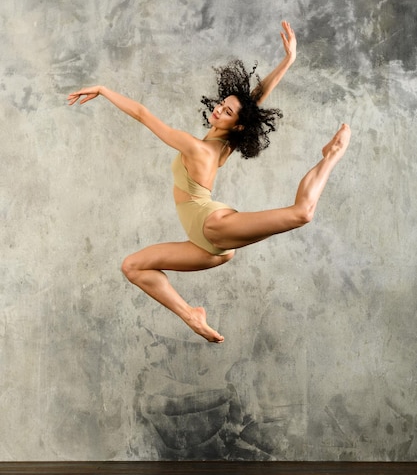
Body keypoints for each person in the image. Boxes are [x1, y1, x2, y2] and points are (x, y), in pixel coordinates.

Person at [68, 21, 350, 344]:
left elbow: (144, 115)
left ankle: (331, 155)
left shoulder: (198, 148)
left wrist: (104, 90)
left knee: (301, 213)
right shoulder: (222, 145)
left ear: (237, 124)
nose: (218, 109)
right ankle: (192, 315)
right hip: (203, 245)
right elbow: (253, 102)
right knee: (132, 267)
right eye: (221, 104)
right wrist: (287, 61)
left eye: (227, 110)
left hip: (212, 227)